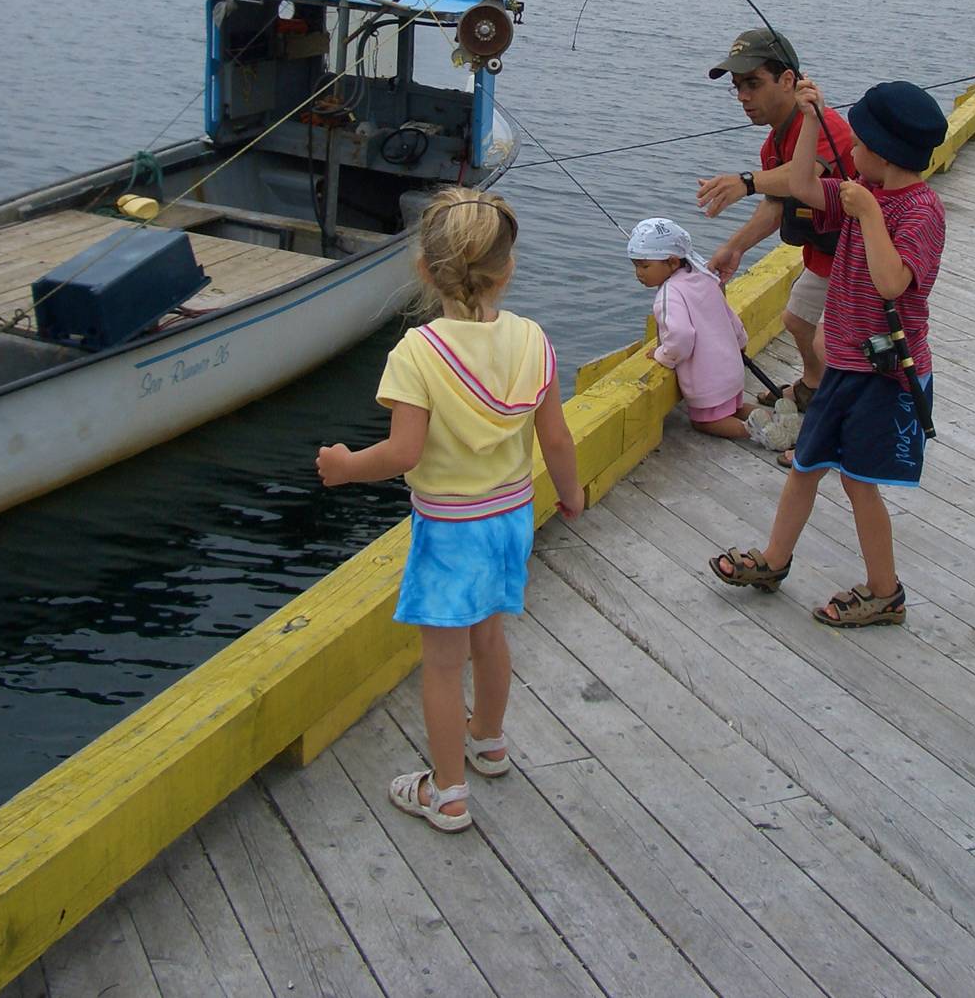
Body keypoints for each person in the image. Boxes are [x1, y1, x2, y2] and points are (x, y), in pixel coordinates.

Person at [316, 188, 584, 830]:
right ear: (507, 268)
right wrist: (572, 493)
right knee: (489, 636)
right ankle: (487, 741)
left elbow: (403, 452)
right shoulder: (532, 339)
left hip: (450, 529)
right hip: (511, 520)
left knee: (441, 664)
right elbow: (555, 438)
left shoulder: (417, 353)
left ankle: (447, 791)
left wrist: (347, 466)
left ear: (425, 271)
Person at [707, 78, 947, 627]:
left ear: (885, 152)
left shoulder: (920, 211)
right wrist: (812, 119)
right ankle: (773, 560)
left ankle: (885, 593)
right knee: (806, 465)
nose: (851, 149)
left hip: (882, 375)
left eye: (858, 142)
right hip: (841, 362)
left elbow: (892, 283)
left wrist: (869, 216)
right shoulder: (862, 187)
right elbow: (800, 185)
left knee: (858, 482)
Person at [697, 27, 854, 416]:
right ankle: (812, 388)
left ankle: (835, 418)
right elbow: (776, 204)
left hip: (859, 261)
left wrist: (746, 181)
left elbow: (802, 179)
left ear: (787, 81)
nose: (743, 96)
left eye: (753, 83)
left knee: (834, 345)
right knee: (797, 319)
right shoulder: (773, 144)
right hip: (825, 256)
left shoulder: (825, 125)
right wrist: (734, 248)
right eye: (737, 86)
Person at [628, 217, 750, 439]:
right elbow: (728, 315)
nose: (639, 273)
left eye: (645, 266)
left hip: (709, 379)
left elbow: (681, 337)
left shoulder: (669, 293)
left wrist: (662, 354)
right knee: (736, 408)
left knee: (706, 422)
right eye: (636, 266)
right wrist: (741, 342)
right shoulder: (703, 277)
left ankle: (758, 433)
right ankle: (771, 418)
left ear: (673, 262)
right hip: (732, 369)